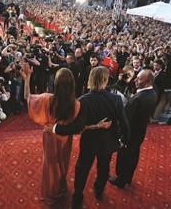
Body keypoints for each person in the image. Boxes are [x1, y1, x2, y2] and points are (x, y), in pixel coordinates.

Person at [20, 64, 110, 205]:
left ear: (55, 83)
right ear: (72, 84)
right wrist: (97, 126)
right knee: (62, 163)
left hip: (50, 137)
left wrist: (27, 78)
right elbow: (79, 128)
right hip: (65, 139)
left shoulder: (46, 99)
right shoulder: (76, 104)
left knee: (49, 165)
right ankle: (60, 188)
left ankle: (50, 193)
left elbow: (27, 98)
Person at [49, 66, 130, 209]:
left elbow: (76, 127)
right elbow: (125, 125)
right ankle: (99, 191)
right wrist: (122, 141)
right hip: (107, 143)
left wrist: (55, 128)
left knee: (82, 169)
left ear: (90, 80)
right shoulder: (116, 99)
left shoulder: (83, 100)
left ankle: (78, 197)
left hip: (88, 143)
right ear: (105, 80)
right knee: (104, 167)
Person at [108, 69, 158, 189]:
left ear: (148, 81)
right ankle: (128, 177)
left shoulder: (138, 98)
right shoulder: (153, 94)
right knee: (133, 155)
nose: (135, 80)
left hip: (129, 134)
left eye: (139, 79)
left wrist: (119, 135)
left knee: (124, 157)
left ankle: (120, 180)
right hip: (139, 133)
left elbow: (126, 119)